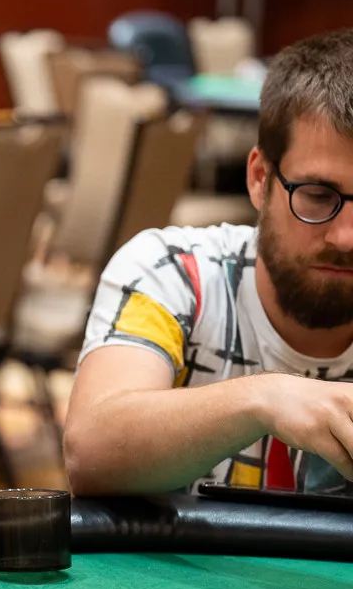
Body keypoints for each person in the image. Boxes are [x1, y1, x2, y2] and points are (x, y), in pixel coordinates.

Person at [64, 29, 353, 497]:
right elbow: (90, 452)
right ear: (259, 179)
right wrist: (264, 397)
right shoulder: (175, 272)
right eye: (318, 195)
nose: (345, 237)